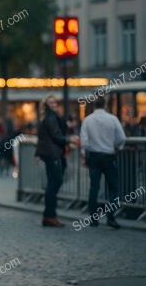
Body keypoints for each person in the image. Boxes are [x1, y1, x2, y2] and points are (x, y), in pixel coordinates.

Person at [80, 97, 126, 229]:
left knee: (94, 187)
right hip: (108, 156)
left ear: (94, 106)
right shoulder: (112, 119)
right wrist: (118, 146)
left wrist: (86, 153)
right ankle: (111, 217)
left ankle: (93, 219)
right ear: (105, 105)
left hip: (94, 156)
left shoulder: (87, 120)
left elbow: (84, 142)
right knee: (114, 188)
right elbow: (122, 137)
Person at [35, 95, 79, 227]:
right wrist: (69, 139)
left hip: (50, 153)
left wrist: (37, 154)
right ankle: (50, 215)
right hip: (53, 154)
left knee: (52, 183)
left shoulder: (48, 117)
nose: (54, 104)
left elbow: (43, 137)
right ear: (47, 104)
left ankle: (49, 215)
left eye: (55, 102)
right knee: (55, 183)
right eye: (51, 102)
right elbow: (55, 135)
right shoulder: (50, 117)